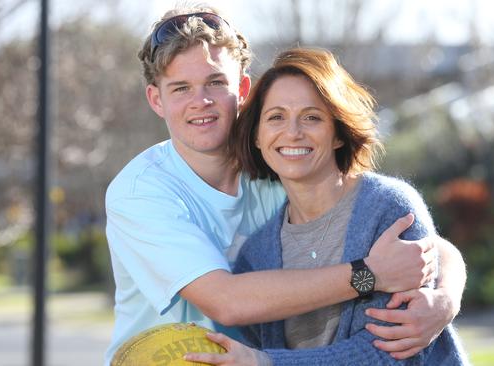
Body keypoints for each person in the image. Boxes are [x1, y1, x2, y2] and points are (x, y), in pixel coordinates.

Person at [104, 4, 466, 365]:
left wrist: (445, 298)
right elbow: (228, 302)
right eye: (181, 88)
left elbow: (421, 243)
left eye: (216, 82)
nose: (201, 102)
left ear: (242, 88)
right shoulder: (142, 193)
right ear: (156, 99)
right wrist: (368, 275)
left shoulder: (284, 167)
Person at [184, 48, 468, 365]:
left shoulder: (388, 209)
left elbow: (394, 354)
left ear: (337, 133)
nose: (292, 132)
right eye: (276, 117)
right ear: (257, 137)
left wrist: (268, 363)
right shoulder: (256, 255)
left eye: (312, 117)